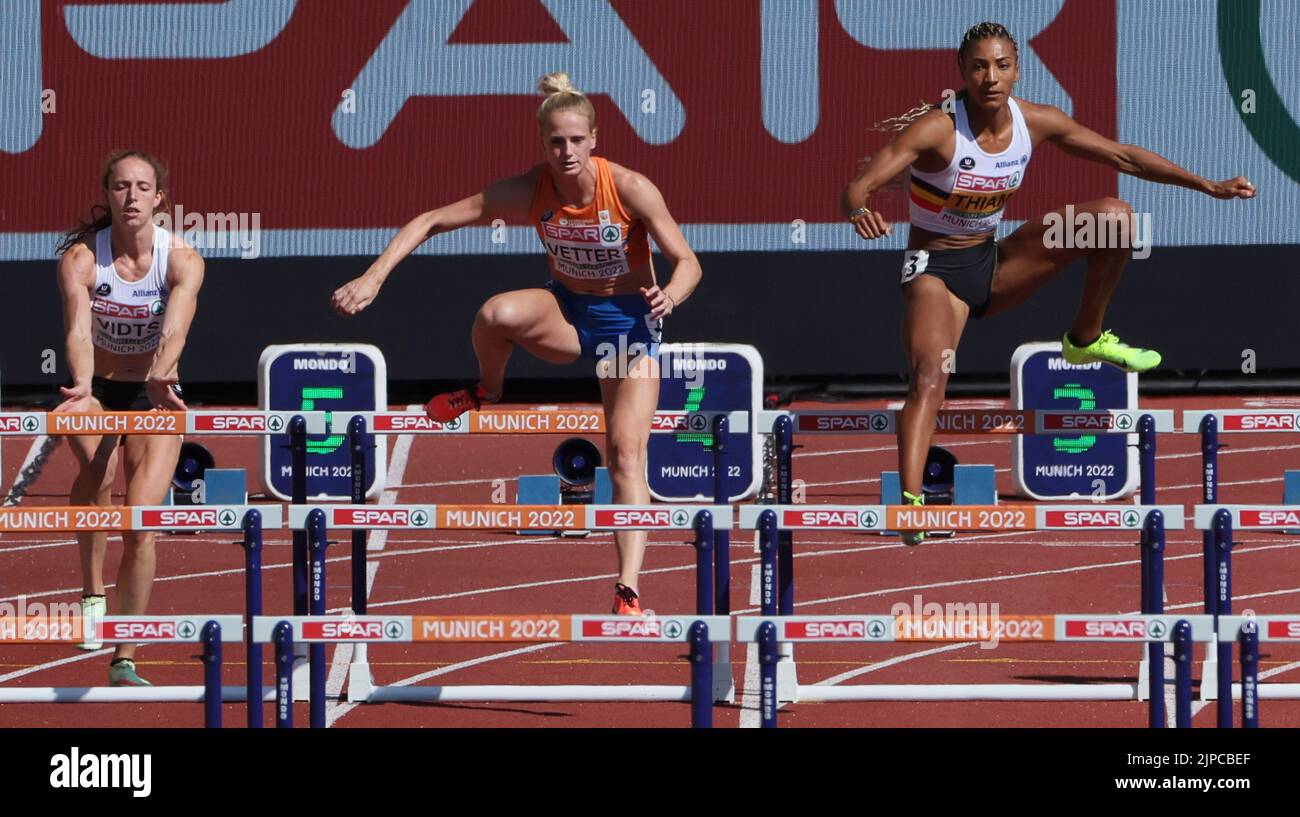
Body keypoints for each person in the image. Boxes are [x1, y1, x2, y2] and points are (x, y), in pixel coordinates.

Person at [841, 22, 1255, 544]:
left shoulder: (1036, 121)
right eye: (979, 67)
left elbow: (1123, 156)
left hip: (994, 262)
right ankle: (912, 505)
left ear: (1017, 69)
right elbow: (858, 187)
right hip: (935, 274)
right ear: (962, 73)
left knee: (1115, 218)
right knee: (929, 377)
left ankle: (1085, 337)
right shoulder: (938, 130)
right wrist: (859, 210)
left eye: (1002, 65)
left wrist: (1206, 185)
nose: (991, 77)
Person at [332, 73, 702, 614]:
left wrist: (670, 295)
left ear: (595, 139)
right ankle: (487, 389)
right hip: (569, 314)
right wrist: (373, 277)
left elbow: (690, 262)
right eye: (556, 141)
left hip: (628, 327)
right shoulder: (532, 189)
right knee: (495, 313)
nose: (566, 151)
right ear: (542, 143)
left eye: (576, 140)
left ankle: (628, 588)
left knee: (624, 452)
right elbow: (433, 219)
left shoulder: (629, 187)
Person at [55, 150, 204, 683]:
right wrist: (82, 386)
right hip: (97, 388)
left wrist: (162, 374)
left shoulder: (182, 259)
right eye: (122, 186)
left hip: (156, 394)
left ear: (159, 198)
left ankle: (125, 654)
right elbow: (77, 330)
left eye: (143, 187)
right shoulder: (81, 258)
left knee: (141, 522)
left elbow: (177, 329)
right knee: (96, 474)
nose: (132, 196)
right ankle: (93, 591)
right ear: (109, 194)